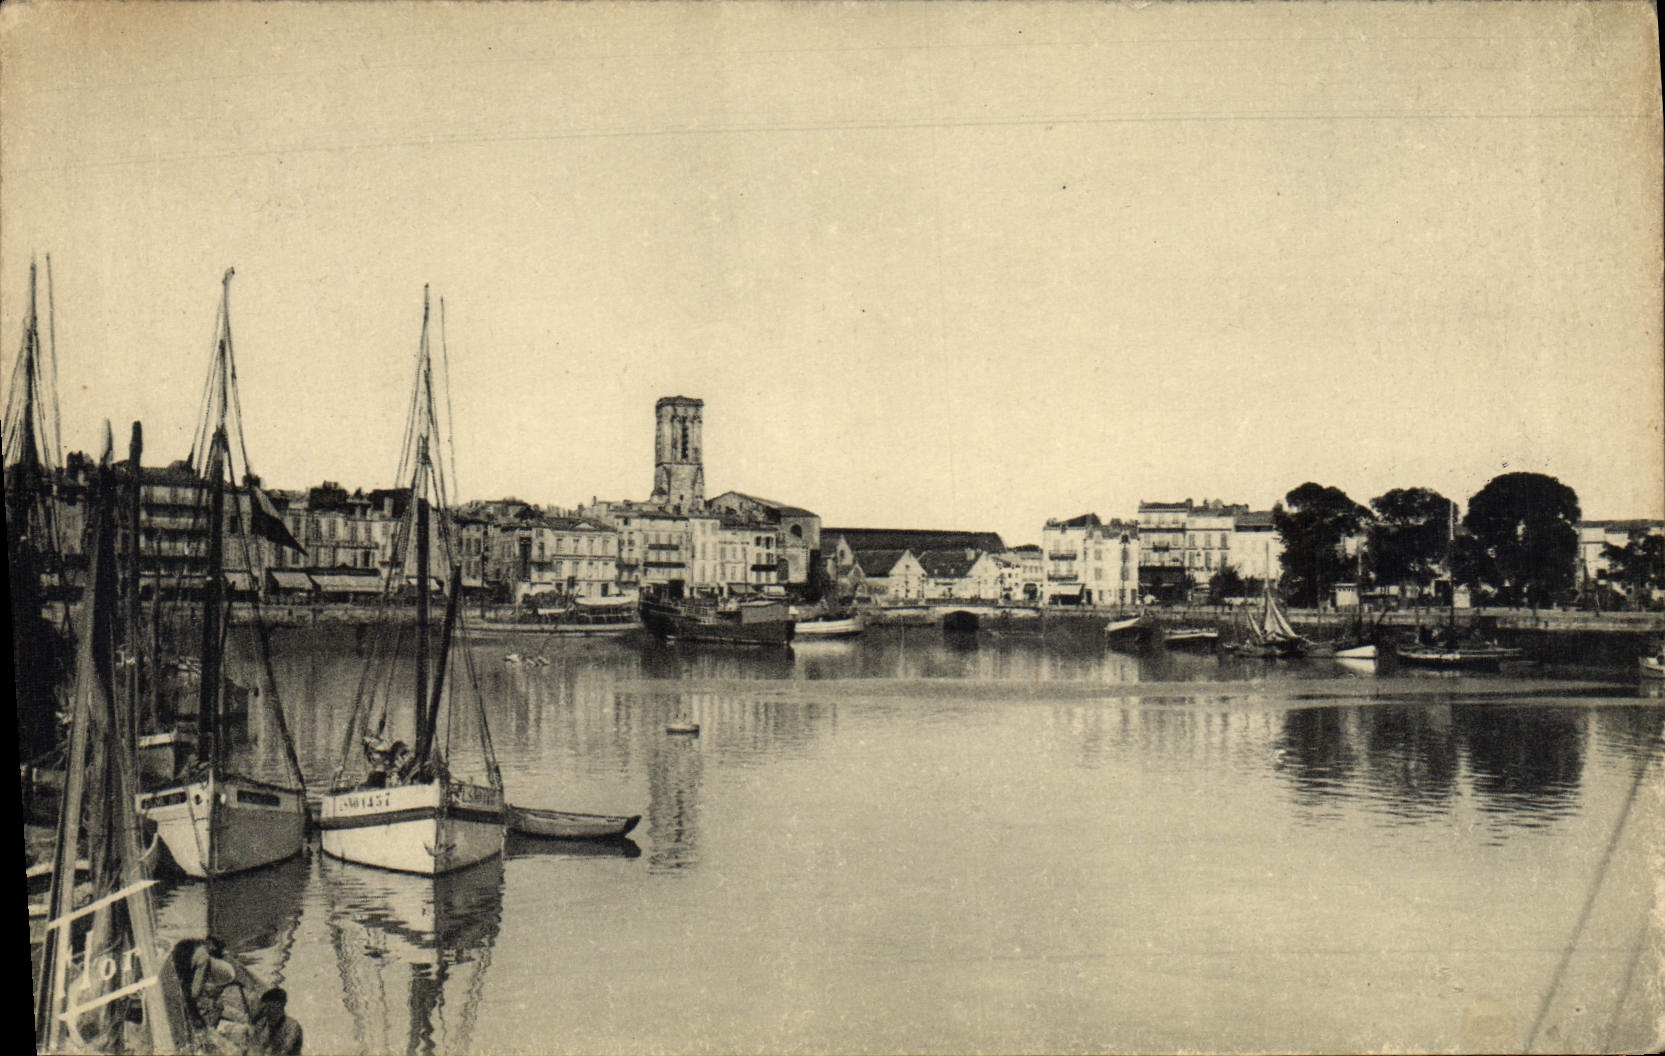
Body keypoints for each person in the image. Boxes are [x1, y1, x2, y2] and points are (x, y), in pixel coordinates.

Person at [247, 987, 303, 1055]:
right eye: (264, 1008)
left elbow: (284, 1050)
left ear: (280, 1005)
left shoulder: (292, 1026)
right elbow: (254, 1047)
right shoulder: (262, 1025)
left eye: (270, 1007)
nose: (265, 1011)